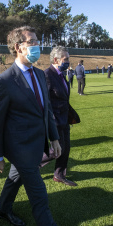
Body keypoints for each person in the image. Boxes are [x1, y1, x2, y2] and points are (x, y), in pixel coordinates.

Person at [0, 26, 64, 226]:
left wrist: (54, 137)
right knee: (40, 199)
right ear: (18, 47)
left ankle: (3, 209)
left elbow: (46, 109)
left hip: (37, 144)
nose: (37, 46)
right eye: (32, 42)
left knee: (15, 178)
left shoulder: (40, 74)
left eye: (37, 41)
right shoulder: (3, 81)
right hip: (20, 149)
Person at [41, 46, 77, 186]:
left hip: (64, 119)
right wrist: (52, 121)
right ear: (56, 60)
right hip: (55, 120)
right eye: (65, 59)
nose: (68, 61)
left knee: (66, 148)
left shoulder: (61, 74)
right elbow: (45, 102)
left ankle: (59, 175)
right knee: (56, 150)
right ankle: (30, 165)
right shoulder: (47, 75)